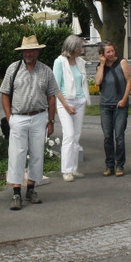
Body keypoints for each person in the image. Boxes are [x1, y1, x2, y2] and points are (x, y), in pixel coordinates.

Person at [0, 35, 58, 210]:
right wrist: (9, 117)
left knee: (37, 153)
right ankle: (16, 192)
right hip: (18, 117)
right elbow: (4, 94)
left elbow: (52, 97)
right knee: (16, 154)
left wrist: (51, 120)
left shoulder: (46, 70)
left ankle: (31, 189)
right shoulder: (13, 69)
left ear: (38, 51)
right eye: (25, 51)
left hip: (39, 116)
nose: (28, 54)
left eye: (31, 50)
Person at [53, 34, 88, 182]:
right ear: (72, 48)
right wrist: (66, 106)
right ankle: (66, 170)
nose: (81, 50)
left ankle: (74, 168)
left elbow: (82, 81)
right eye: (79, 47)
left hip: (79, 101)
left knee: (76, 135)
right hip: (65, 101)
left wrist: (83, 99)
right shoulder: (59, 62)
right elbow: (55, 87)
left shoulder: (80, 62)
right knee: (69, 134)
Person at [94, 41, 130, 177]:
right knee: (107, 137)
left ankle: (120, 165)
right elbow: (97, 81)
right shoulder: (100, 66)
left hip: (119, 105)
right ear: (102, 54)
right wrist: (102, 65)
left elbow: (129, 81)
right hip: (105, 106)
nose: (111, 54)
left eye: (112, 51)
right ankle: (109, 165)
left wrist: (124, 99)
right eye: (107, 52)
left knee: (119, 136)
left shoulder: (122, 62)